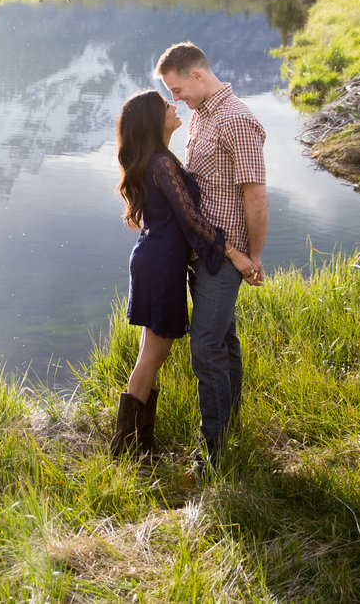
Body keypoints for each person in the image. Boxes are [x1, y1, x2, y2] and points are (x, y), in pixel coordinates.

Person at [111, 89, 261, 459]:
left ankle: (136, 447)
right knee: (152, 357)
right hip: (161, 267)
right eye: (165, 105)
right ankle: (129, 449)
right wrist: (236, 254)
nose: (173, 105)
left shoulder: (158, 159)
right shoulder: (161, 164)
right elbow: (192, 221)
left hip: (154, 260)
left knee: (149, 356)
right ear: (152, 120)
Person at [156, 42, 268, 459]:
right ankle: (231, 428)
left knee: (204, 345)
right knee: (223, 339)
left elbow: (255, 196)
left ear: (197, 76)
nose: (175, 99)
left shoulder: (236, 119)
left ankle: (214, 453)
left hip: (225, 256)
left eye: (177, 89)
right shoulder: (204, 116)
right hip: (202, 253)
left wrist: (252, 257)